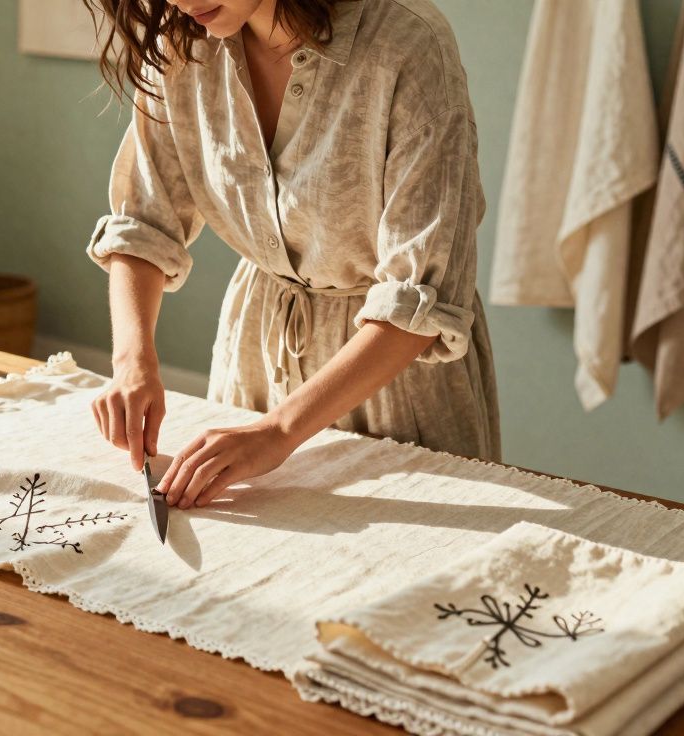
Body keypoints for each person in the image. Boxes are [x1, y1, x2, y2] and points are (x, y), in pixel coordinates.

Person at [85, 0, 500, 509]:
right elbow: (145, 223)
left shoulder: (407, 44)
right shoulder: (182, 43)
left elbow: (419, 300)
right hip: (254, 355)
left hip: (393, 378)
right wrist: (132, 362)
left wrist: (278, 431)